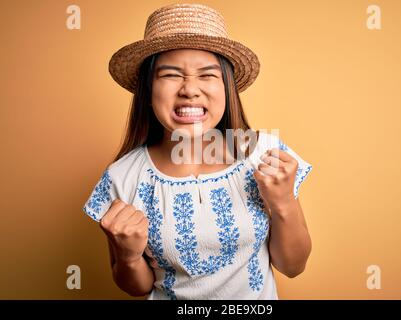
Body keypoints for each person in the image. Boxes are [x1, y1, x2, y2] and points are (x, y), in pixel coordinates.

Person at [83, 3, 313, 300]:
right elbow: (137, 287)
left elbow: (293, 266)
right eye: (170, 75)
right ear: (148, 90)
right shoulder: (122, 176)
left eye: (207, 75)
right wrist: (128, 258)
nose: (190, 89)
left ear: (227, 88)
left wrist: (283, 203)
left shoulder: (265, 154)